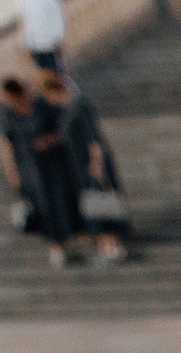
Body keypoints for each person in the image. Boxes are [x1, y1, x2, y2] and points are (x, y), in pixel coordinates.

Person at [46, 70, 128, 265]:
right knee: (92, 205)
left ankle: (112, 245)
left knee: (100, 202)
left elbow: (95, 137)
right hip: (78, 165)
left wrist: (97, 164)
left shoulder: (80, 106)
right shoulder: (65, 110)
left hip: (91, 163)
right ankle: (104, 245)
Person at [0, 78, 79, 266]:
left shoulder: (42, 105)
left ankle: (66, 241)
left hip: (55, 165)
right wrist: (12, 173)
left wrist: (49, 140)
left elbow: (64, 129)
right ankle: (56, 246)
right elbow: (7, 145)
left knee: (61, 202)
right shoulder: (8, 115)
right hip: (30, 170)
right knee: (44, 207)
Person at [20, 0, 68, 71]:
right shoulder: (26, 2)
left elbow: (57, 16)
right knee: (45, 74)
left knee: (57, 74)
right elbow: (27, 24)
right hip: (36, 47)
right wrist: (28, 44)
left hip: (50, 45)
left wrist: (60, 38)